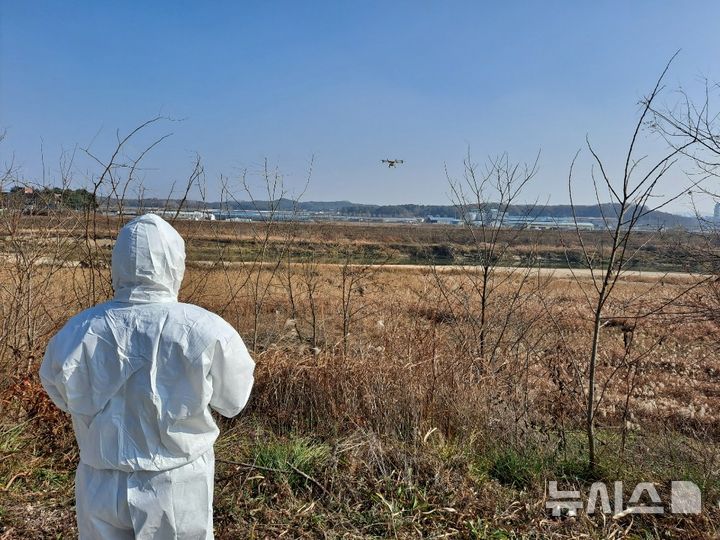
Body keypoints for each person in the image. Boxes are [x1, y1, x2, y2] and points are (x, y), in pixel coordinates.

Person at [40, 213, 255, 539]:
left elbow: (60, 394)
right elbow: (234, 400)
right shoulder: (205, 330)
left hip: (100, 482)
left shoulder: (80, 331)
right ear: (175, 262)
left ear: (119, 263)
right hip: (176, 484)